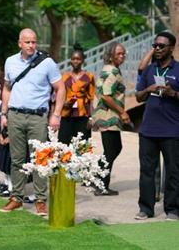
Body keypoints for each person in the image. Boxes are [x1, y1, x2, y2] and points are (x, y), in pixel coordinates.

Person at [0, 28, 65, 216]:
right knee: (17, 159)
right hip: (15, 115)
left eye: (34, 42)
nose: (31, 45)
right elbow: (7, 88)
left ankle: (40, 200)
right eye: (27, 42)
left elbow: (60, 89)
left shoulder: (47, 63)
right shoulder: (11, 61)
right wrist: (4, 113)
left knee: (41, 158)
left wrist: (56, 114)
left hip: (38, 117)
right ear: (20, 43)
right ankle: (16, 198)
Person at [134, 31, 179, 221]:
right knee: (146, 171)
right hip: (148, 130)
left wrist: (173, 94)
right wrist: (148, 89)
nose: (157, 49)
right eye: (155, 46)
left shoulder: (178, 69)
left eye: (161, 46)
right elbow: (138, 96)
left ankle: (173, 209)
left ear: (171, 48)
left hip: (172, 130)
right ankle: (146, 208)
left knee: (174, 172)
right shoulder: (150, 69)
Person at [92, 42, 130, 196]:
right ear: (110, 55)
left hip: (107, 115)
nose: (122, 56)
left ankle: (97, 176)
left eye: (123, 53)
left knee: (114, 148)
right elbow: (106, 96)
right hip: (109, 116)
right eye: (118, 53)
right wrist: (123, 112)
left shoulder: (108, 69)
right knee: (111, 149)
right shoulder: (112, 71)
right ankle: (101, 184)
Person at [58, 48, 95, 144]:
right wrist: (62, 105)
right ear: (70, 60)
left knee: (82, 145)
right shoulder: (64, 77)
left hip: (83, 115)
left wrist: (91, 117)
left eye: (78, 59)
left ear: (82, 60)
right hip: (67, 114)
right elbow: (60, 95)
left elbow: (91, 98)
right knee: (63, 144)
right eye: (73, 59)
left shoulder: (89, 77)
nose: (75, 61)